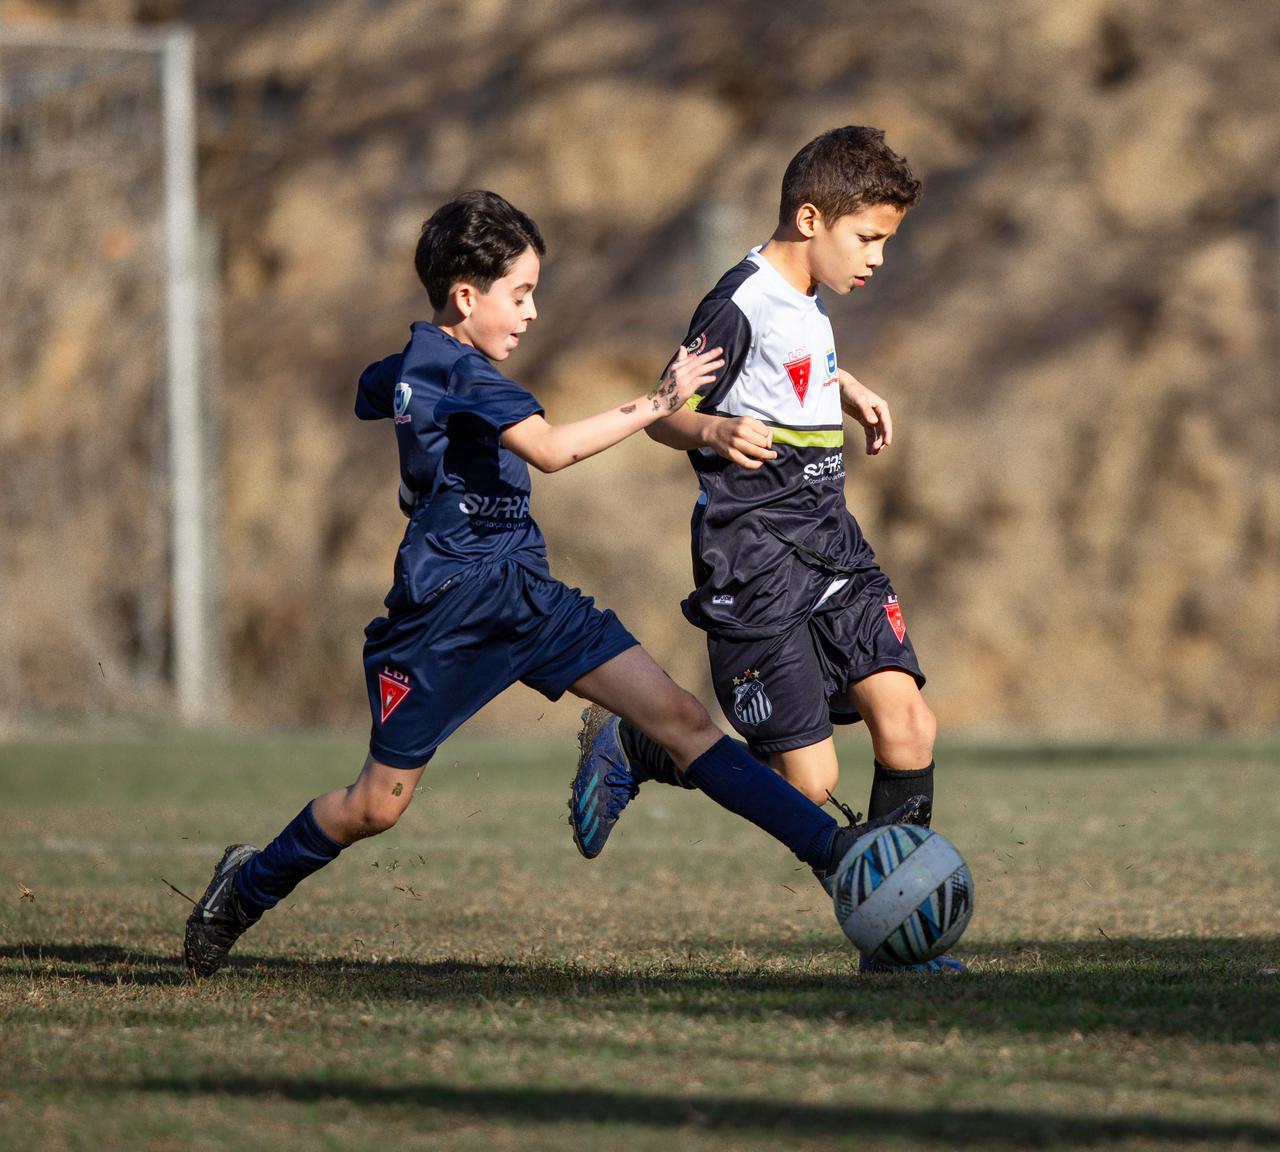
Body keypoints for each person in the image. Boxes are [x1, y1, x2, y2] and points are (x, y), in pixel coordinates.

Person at [183, 189, 925, 978]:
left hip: (528, 596)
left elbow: (377, 387)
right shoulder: (462, 372)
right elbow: (552, 450)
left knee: (677, 716)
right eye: (521, 294)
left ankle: (841, 855)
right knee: (376, 805)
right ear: (466, 297)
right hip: (446, 619)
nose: (533, 313)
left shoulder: (425, 360)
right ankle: (246, 885)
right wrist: (661, 402)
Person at [567, 127, 963, 973]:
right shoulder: (737, 301)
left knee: (908, 725)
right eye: (870, 239)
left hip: (831, 543)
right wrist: (707, 424)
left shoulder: (805, 297)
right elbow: (662, 409)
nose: (879, 260)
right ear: (811, 219)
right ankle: (646, 745)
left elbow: (789, 361)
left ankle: (894, 947)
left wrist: (843, 384)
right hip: (755, 564)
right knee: (808, 786)